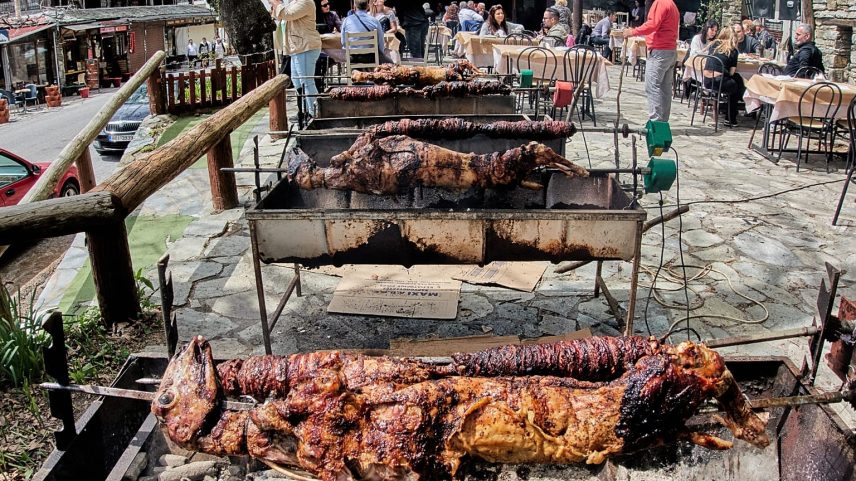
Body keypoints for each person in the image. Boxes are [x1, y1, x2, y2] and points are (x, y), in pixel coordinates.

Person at [624, 0, 679, 121]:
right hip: (670, 50)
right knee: (665, 89)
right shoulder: (672, 4)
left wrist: (632, 32)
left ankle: (656, 122)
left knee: (652, 86)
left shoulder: (660, 3)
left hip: (659, 51)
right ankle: (663, 122)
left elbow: (653, 24)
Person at [271, 0, 322, 117]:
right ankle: (303, 112)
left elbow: (288, 14)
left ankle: (315, 114)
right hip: (296, 48)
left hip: (305, 47)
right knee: (297, 82)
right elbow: (279, 16)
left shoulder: (305, 2)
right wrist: (275, 5)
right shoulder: (293, 2)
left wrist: (276, 2)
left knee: (307, 82)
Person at [342, 0, 394, 64]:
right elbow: (381, 41)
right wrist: (381, 54)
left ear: (354, 6)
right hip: (371, 57)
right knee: (391, 64)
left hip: (353, 57)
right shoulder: (374, 21)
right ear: (367, 6)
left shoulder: (347, 20)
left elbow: (343, 42)